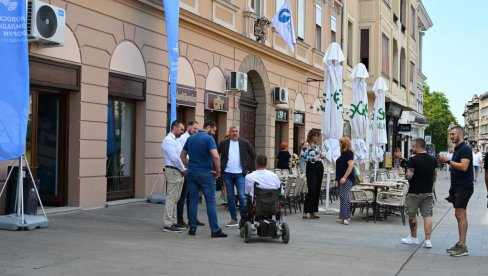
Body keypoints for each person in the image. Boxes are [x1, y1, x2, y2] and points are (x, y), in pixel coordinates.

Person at [180, 120, 227, 238]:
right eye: (214, 130)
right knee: (210, 202)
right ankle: (215, 230)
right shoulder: (208, 139)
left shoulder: (190, 139)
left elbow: (182, 155)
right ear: (209, 128)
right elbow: (216, 156)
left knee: (193, 201)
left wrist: (188, 166)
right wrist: (218, 171)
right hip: (206, 174)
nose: (214, 133)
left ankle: (192, 228)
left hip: (192, 173)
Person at [439, 126, 473, 257]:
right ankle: (460, 243)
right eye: (450, 135)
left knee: (460, 214)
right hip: (457, 186)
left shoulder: (465, 148)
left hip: (464, 186)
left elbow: (464, 167)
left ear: (460, 134)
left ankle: (463, 246)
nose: (451, 136)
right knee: (458, 214)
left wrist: (447, 161)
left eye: (453, 134)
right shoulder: (458, 149)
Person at [401, 138, 437, 248]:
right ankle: (428, 241)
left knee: (412, 215)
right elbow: (435, 175)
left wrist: (406, 173)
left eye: (413, 146)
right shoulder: (432, 159)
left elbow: (409, 175)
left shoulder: (413, 159)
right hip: (427, 192)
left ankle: (414, 237)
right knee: (427, 215)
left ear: (418, 146)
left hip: (414, 192)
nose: (412, 148)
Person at [217, 126, 256, 227]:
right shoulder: (223, 143)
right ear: (229, 133)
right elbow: (216, 154)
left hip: (240, 174)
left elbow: (254, 155)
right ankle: (233, 219)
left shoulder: (245, 143)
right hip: (227, 173)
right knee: (230, 197)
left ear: (239, 132)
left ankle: (244, 219)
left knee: (242, 196)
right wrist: (219, 168)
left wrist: (248, 168)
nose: (234, 133)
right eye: (232, 131)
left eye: (236, 131)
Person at [176, 121, 205, 228]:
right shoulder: (183, 138)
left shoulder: (194, 138)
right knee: (183, 196)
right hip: (186, 170)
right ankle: (180, 219)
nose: (196, 131)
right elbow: (181, 155)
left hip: (192, 170)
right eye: (194, 129)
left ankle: (192, 218)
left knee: (192, 196)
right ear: (188, 128)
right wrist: (186, 168)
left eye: (197, 129)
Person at [161, 120, 186, 233]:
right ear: (175, 128)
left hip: (177, 171)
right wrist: (183, 169)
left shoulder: (175, 140)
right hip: (173, 170)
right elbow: (175, 158)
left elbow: (181, 155)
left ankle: (172, 221)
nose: (182, 132)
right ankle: (168, 224)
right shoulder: (168, 140)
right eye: (181, 129)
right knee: (171, 197)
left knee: (175, 198)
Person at [301, 129, 324, 219]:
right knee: (312, 189)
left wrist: (322, 156)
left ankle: (313, 211)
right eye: (315, 136)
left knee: (317, 189)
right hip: (311, 167)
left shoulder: (317, 146)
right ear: (311, 136)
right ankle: (306, 210)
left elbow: (318, 155)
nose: (317, 137)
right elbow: (303, 156)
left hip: (319, 166)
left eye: (318, 136)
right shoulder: (306, 145)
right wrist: (311, 159)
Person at [335, 136, 354, 225]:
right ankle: (344, 216)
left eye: (341, 142)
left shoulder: (349, 153)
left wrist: (344, 177)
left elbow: (351, 166)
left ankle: (346, 217)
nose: (339, 144)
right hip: (341, 178)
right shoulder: (343, 153)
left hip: (346, 179)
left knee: (344, 196)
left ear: (345, 143)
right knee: (344, 197)